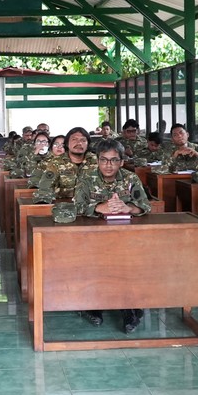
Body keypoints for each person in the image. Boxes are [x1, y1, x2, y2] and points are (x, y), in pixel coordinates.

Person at [73, 139, 151, 333]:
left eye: (114, 160)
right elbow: (76, 207)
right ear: (97, 161)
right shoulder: (86, 179)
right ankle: (93, 304)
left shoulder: (131, 179)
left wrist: (128, 207)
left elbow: (145, 205)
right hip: (92, 238)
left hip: (126, 238)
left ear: (122, 162)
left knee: (126, 263)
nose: (109, 165)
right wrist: (100, 207)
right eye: (104, 160)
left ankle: (128, 306)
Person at [33, 127, 98, 202]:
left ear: (88, 144)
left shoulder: (97, 161)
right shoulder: (56, 163)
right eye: (74, 139)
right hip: (65, 206)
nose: (79, 143)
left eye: (83, 140)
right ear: (67, 144)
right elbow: (45, 188)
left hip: (94, 205)